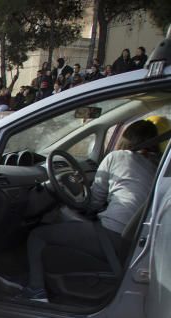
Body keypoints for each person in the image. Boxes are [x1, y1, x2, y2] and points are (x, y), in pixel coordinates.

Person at [13, 119, 159, 302]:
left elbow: (95, 201)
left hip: (112, 235)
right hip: (136, 240)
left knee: (37, 235)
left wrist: (71, 203)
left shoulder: (117, 157)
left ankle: (35, 290)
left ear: (126, 139)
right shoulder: (157, 167)